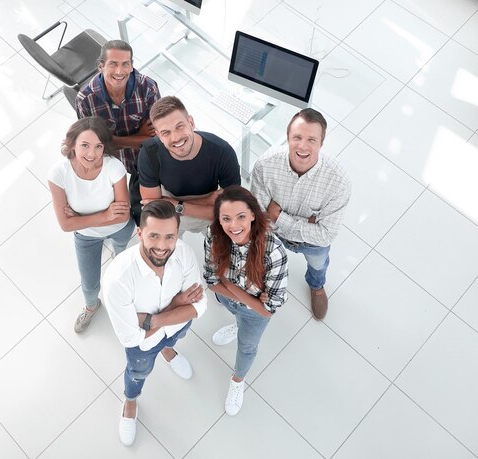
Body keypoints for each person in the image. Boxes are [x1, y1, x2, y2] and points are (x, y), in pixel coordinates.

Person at [102, 200, 207, 446]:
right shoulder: (117, 279)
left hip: (173, 327)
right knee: (138, 373)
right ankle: (130, 401)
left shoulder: (183, 252)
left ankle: (168, 351)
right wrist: (178, 304)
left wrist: (152, 319)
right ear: (139, 233)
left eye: (170, 236)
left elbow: (200, 306)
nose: (162, 246)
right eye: (154, 236)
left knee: (173, 337)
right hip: (143, 347)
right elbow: (132, 338)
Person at [250, 108, 351, 320]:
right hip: (272, 235)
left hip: (310, 244)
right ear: (287, 138)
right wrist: (308, 223)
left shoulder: (338, 181)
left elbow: (325, 235)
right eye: (297, 137)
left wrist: (278, 216)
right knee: (262, 258)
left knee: (318, 264)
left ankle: (316, 285)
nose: (303, 146)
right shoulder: (265, 166)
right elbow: (258, 216)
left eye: (311, 139)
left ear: (321, 143)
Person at [204, 185, 288, 416]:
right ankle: (237, 323)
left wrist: (230, 285)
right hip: (230, 300)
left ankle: (238, 380)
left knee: (248, 346)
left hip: (253, 313)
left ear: (253, 214)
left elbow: (267, 311)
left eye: (241, 216)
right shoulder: (214, 236)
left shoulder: (273, 251)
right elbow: (211, 281)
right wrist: (250, 298)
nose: (234, 225)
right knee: (235, 310)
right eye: (226, 219)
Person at [48, 116, 134, 334]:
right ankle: (92, 306)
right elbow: (66, 225)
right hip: (85, 236)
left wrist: (79, 216)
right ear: (72, 144)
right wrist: (105, 215)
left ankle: (118, 253)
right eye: (84, 145)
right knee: (88, 283)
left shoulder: (114, 166)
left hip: (119, 229)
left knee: (121, 252)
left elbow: (123, 216)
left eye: (98, 147)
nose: (91, 154)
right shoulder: (59, 173)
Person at [138, 96, 241, 235]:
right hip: (171, 217)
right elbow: (156, 211)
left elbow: (229, 211)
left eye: (179, 126)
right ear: (158, 135)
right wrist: (209, 200)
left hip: (202, 217)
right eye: (165, 132)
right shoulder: (149, 154)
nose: (175, 138)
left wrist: (178, 205)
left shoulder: (222, 151)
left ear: (191, 122)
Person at [76, 40, 160, 173]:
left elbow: (156, 138)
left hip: (152, 158)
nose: (119, 71)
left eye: (125, 64)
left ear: (132, 66)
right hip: (117, 163)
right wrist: (139, 134)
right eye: (113, 64)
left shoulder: (148, 87)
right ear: (101, 66)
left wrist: (113, 141)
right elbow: (94, 147)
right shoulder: (85, 100)